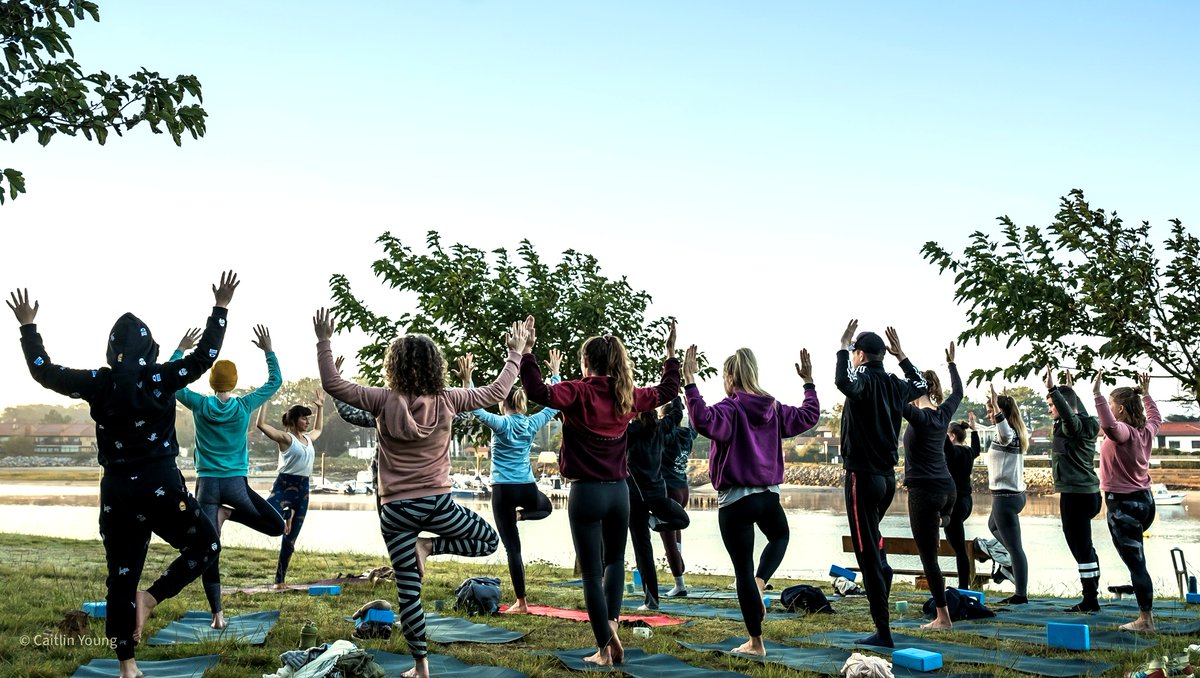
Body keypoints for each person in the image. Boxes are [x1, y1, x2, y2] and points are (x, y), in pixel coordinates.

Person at [7, 274, 238, 678]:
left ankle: (126, 666)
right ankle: (150, 598)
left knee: (121, 576)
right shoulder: (159, 377)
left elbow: (46, 372)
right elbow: (204, 357)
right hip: (162, 487)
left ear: (111, 350)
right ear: (150, 349)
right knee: (206, 547)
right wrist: (220, 307)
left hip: (117, 493)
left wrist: (28, 327)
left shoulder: (99, 381)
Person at [315, 309, 529, 678]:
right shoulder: (449, 399)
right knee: (489, 541)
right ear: (436, 366)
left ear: (393, 366)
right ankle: (430, 546)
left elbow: (334, 385)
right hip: (437, 504)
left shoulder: (381, 399)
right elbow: (498, 391)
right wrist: (517, 351)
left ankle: (421, 667)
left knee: (409, 594)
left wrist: (324, 341)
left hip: (395, 510)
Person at [520, 322, 681, 667]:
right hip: (619, 493)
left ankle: (604, 649)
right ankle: (610, 626)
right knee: (614, 564)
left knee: (593, 573)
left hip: (586, 493)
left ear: (586, 363)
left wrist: (526, 352)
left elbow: (536, 391)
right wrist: (670, 355)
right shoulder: (627, 395)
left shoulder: (578, 391)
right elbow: (668, 389)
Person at [684, 345, 819, 656]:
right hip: (768, 496)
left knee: (741, 571)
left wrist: (690, 381)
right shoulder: (773, 408)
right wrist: (808, 382)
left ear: (731, 376)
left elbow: (702, 420)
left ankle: (756, 643)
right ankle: (760, 581)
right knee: (780, 536)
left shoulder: (730, 409)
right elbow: (809, 416)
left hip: (736, 501)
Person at [171, 324, 284, 628]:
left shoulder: (200, 404)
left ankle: (217, 616)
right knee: (277, 527)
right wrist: (269, 351)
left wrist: (181, 349)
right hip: (236, 487)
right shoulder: (245, 405)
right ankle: (230, 515)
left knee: (210, 549)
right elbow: (275, 382)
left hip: (206, 487)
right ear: (233, 382)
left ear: (211, 382)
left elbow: (174, 381)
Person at [835, 320, 928, 648]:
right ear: (883, 354)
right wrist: (901, 355)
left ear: (861, 354)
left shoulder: (860, 378)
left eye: (855, 353)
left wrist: (843, 347)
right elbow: (920, 383)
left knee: (866, 555)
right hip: (887, 479)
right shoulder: (894, 383)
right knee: (873, 541)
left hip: (861, 477)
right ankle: (884, 569)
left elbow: (843, 382)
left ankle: (883, 633)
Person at [459, 349, 563, 614]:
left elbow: (475, 408)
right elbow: (554, 405)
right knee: (547, 508)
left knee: (512, 550)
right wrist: (554, 374)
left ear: (503, 403)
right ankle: (522, 516)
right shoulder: (531, 423)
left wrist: (467, 381)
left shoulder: (501, 423)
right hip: (526, 488)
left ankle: (522, 602)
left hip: (503, 490)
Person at [901, 343, 962, 630]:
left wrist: (902, 358)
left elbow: (894, 401)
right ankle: (942, 520)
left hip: (924, 491)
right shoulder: (942, 414)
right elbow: (958, 392)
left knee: (928, 557)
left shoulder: (920, 416)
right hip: (948, 490)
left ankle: (943, 617)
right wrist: (951, 364)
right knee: (936, 529)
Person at [1094, 369, 1161, 632]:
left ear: (1120, 409)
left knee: (1137, 565)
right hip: (1145, 502)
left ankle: (1146, 620)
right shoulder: (1146, 431)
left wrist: (1097, 394)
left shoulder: (1123, 432)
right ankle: (1146, 617)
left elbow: (1110, 426)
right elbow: (1156, 417)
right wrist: (1147, 394)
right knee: (1137, 562)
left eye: (1111, 405)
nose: (1108, 409)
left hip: (1123, 506)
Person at [1044, 366, 1102, 612]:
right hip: (1089, 494)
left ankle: (1090, 599)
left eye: (1051, 405)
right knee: (1084, 545)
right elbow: (1075, 410)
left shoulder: (1072, 426)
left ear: (1062, 405)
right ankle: (1092, 592)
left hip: (1076, 495)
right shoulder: (1087, 423)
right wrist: (1069, 392)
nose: (1049, 410)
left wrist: (1053, 389)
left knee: (1079, 546)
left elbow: (1069, 416)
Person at [625, 399, 691, 611]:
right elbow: (676, 415)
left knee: (643, 549)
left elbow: (675, 416)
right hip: (654, 496)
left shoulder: (630, 431)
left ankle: (651, 600)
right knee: (681, 521)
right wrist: (676, 397)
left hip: (636, 498)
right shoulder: (661, 429)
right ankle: (651, 601)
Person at [256, 395, 324, 590]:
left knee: (291, 539)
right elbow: (261, 425)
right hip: (284, 486)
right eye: (304, 418)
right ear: (294, 421)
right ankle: (287, 513)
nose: (307, 422)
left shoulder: (308, 439)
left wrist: (320, 407)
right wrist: (264, 400)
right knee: (266, 514)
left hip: (303, 489)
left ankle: (279, 581)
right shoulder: (287, 439)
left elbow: (318, 429)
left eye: (308, 418)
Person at [985, 383, 1031, 605]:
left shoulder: (1007, 434)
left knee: (1015, 549)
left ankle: (1020, 594)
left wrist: (996, 406)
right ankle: (1012, 564)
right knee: (992, 527)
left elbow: (1002, 428)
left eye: (990, 409)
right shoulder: (1011, 434)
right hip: (1009, 496)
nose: (988, 413)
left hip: (1005, 498)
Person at [659, 396, 696, 597]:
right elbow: (695, 424)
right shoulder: (688, 435)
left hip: (669, 489)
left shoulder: (667, 436)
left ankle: (679, 584)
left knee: (668, 539)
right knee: (676, 530)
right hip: (683, 488)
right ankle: (679, 564)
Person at [943, 413, 981, 590]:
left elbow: (945, 447)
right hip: (967, 502)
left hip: (955, 504)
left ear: (952, 436)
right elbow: (977, 449)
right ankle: (963, 586)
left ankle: (963, 587)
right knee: (956, 545)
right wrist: (974, 430)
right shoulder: (968, 452)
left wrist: (940, 424)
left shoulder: (954, 452)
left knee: (959, 550)